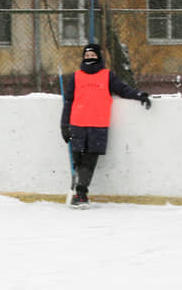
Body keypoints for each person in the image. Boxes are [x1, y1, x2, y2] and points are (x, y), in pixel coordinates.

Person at [60, 43, 152, 208]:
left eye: (92, 56)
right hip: (77, 124)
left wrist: (139, 95)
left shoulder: (107, 75)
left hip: (97, 125)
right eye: (87, 56)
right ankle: (79, 191)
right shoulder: (76, 76)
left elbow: (123, 90)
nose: (90, 59)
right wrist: (64, 125)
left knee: (89, 161)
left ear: (98, 57)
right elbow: (68, 102)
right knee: (78, 160)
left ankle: (81, 194)